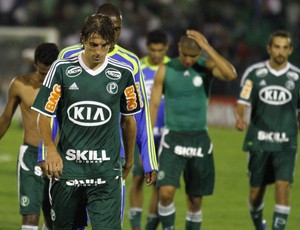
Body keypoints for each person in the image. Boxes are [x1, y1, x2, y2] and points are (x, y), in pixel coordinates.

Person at [32, 14, 141, 229]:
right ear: (82, 39)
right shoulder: (61, 69)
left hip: (106, 172)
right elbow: (45, 114)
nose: (98, 52)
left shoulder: (123, 74)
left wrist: (129, 160)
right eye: (93, 44)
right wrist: (50, 150)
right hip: (68, 171)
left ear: (111, 44)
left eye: (104, 45)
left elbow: (129, 121)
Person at [150, 30, 237, 229]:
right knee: (165, 193)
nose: (188, 59)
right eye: (185, 55)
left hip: (199, 139)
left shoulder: (205, 67)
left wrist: (207, 48)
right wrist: (146, 142)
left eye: (193, 55)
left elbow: (231, 74)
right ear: (178, 50)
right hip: (173, 138)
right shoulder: (166, 69)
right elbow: (153, 106)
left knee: (195, 200)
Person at [235, 30, 300, 230]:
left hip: (286, 142)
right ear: (269, 48)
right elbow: (242, 102)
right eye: (276, 47)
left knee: (283, 186)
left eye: (284, 47)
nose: (280, 51)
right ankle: (259, 225)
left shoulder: (297, 77)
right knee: (256, 194)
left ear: (290, 50)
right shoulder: (254, 73)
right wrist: (240, 117)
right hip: (259, 141)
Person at [0, 43, 59, 230]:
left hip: (58, 157)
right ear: (35, 64)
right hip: (31, 155)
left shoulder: (68, 87)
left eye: (49, 73)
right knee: (30, 218)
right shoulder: (20, 84)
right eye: (42, 73)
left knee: (54, 218)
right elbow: (6, 119)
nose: (45, 78)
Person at [128, 29, 170, 230]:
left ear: (166, 49)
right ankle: (136, 226)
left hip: (167, 135)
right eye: (153, 50)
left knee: (159, 183)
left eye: (160, 50)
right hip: (142, 134)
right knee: (137, 177)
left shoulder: (173, 68)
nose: (156, 54)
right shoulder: (138, 68)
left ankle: (150, 227)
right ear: (147, 48)